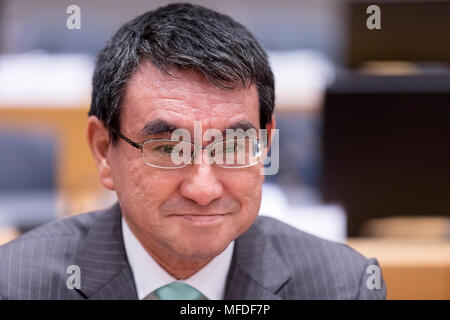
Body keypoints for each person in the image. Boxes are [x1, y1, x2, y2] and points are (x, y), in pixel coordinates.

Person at [0, 3, 385, 300]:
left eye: (232, 146)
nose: (204, 190)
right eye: (168, 148)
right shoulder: (16, 284)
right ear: (104, 150)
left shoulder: (342, 286)